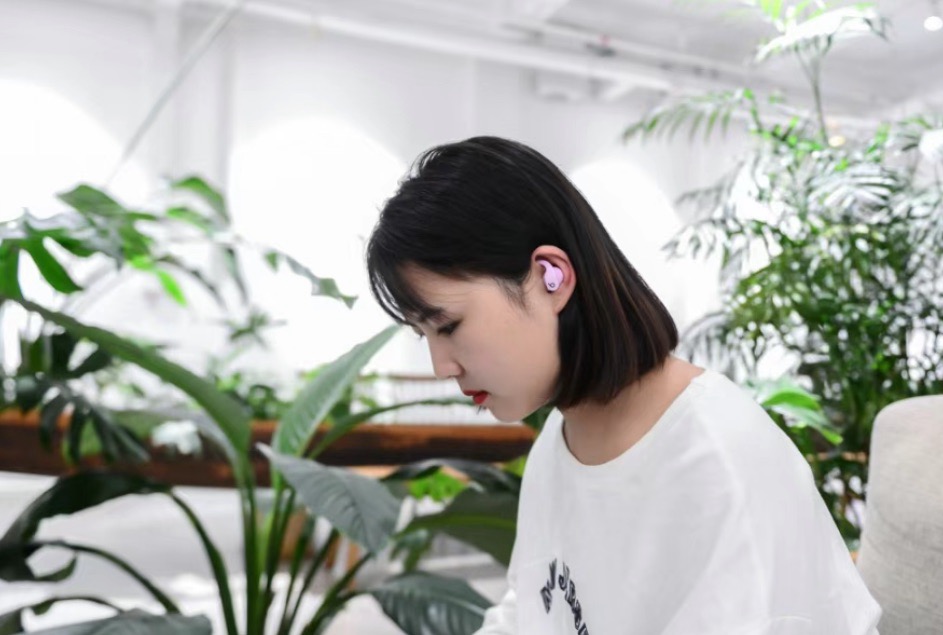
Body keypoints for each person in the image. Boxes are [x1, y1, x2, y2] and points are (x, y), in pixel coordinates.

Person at [365, 136, 882, 634]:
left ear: (550, 277)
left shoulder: (715, 456)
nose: (441, 366)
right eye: (424, 336)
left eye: (449, 326)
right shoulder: (557, 445)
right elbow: (532, 609)